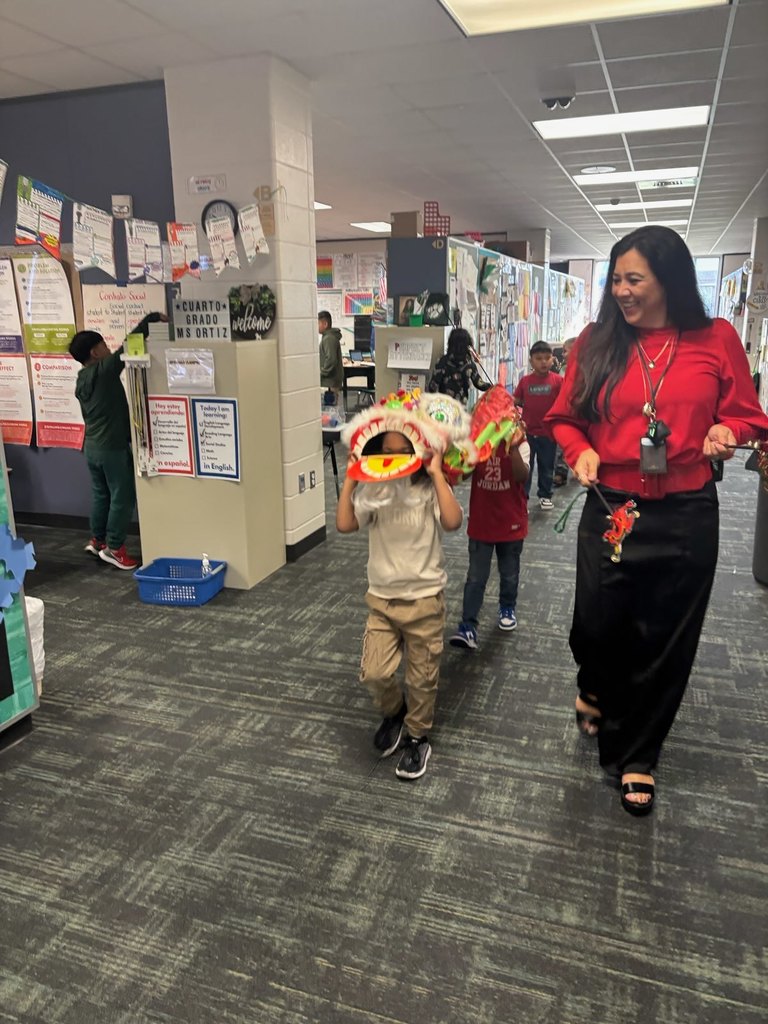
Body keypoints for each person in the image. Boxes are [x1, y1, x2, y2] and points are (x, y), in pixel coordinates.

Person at [545, 225, 768, 816]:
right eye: (615, 278)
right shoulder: (596, 341)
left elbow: (748, 416)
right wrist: (579, 450)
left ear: (668, 280)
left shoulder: (716, 338)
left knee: (664, 637)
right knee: (597, 623)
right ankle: (593, 680)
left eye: (633, 278)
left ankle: (639, 754)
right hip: (611, 505)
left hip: (688, 512)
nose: (621, 290)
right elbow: (563, 419)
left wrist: (728, 432)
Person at [336, 404, 463, 781]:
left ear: (418, 451)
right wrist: (351, 478)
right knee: (374, 672)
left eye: (402, 451)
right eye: (385, 452)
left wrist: (437, 474)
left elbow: (454, 522)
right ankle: (394, 712)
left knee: (422, 678)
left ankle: (417, 735)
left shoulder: (427, 490)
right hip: (382, 600)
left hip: (424, 598)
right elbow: (344, 524)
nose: (393, 460)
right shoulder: (375, 492)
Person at [69, 312, 167, 570]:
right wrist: (152, 318)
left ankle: (97, 540)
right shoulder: (104, 371)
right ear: (95, 352)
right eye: (102, 344)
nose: (107, 347)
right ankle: (115, 547)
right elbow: (128, 343)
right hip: (111, 447)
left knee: (101, 494)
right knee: (122, 497)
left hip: (91, 447)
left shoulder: (83, 378)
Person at [450, 430, 530, 650]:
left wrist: (512, 447)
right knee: (475, 577)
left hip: (511, 522)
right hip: (482, 521)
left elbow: (522, 476)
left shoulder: (521, 443)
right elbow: (462, 475)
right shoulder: (479, 440)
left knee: (509, 572)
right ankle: (468, 625)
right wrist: (470, 451)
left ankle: (507, 607)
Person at [513, 341, 562, 510]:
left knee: (547, 465)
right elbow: (516, 401)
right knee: (526, 467)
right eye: (538, 358)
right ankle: (522, 497)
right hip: (527, 433)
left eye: (547, 358)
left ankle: (545, 494)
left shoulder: (558, 381)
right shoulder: (525, 381)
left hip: (548, 433)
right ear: (531, 361)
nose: (543, 362)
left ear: (552, 360)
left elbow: (564, 403)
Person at [427, 328, 491, 405]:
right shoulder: (469, 364)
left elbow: (432, 386)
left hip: (444, 406)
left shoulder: (443, 361)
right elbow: (480, 385)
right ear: (468, 345)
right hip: (461, 408)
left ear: (450, 343)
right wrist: (493, 387)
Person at [553, 336, 577, 486]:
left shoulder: (582, 370)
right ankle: (560, 472)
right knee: (561, 445)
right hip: (564, 409)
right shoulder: (562, 368)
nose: (563, 354)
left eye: (565, 351)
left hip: (575, 410)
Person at [318, 310, 343, 394]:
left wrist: (322, 373)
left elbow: (331, 359)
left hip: (329, 382)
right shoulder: (328, 337)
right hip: (330, 382)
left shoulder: (328, 338)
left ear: (325, 324)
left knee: (329, 406)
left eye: (318, 323)